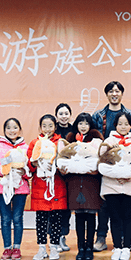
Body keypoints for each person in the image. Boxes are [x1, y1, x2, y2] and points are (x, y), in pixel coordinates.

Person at [92, 81, 131, 252]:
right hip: (107, 165)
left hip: (127, 166)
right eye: (111, 91)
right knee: (104, 205)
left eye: (117, 91)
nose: (114, 94)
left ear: (122, 93)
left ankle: (125, 243)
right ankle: (101, 237)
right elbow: (95, 139)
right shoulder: (98, 115)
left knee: (126, 211)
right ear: (106, 94)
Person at [0, 118, 30, 260]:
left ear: (20, 130)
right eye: (8, 128)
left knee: (17, 218)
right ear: (4, 130)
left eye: (15, 127)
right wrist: (2, 170)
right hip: (1, 188)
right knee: (5, 219)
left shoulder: (26, 147)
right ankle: (7, 247)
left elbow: (31, 169)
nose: (12, 130)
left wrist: (24, 172)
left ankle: (17, 248)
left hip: (20, 188)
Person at [100, 112, 131, 260]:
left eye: (126, 124)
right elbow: (102, 161)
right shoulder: (108, 141)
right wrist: (116, 174)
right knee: (115, 217)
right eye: (120, 124)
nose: (123, 127)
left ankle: (127, 247)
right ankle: (117, 246)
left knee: (127, 216)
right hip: (111, 185)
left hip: (130, 185)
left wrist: (128, 176)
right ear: (115, 125)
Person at [62, 113, 104, 260]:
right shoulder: (70, 140)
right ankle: (81, 248)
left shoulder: (97, 140)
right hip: (74, 183)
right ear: (76, 125)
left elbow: (102, 159)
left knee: (91, 217)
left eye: (86, 123)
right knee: (79, 217)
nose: (83, 126)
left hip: (91, 183)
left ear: (91, 125)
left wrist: (96, 169)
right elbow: (64, 158)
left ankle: (89, 247)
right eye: (80, 123)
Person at [28, 114, 68, 260]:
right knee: (41, 220)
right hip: (40, 186)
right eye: (44, 126)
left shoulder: (60, 142)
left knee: (57, 219)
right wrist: (34, 163)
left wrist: (58, 166)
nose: (47, 129)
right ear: (40, 128)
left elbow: (65, 161)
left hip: (57, 186)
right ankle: (41, 248)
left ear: (55, 127)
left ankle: (54, 247)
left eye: (50, 126)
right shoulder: (35, 143)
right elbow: (29, 164)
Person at [54, 102, 74, 252]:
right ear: (56, 116)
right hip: (54, 175)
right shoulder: (52, 131)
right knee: (55, 207)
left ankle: (62, 236)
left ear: (70, 115)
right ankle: (53, 238)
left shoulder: (74, 131)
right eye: (61, 114)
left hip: (70, 174)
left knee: (66, 207)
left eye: (66, 113)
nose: (63, 116)